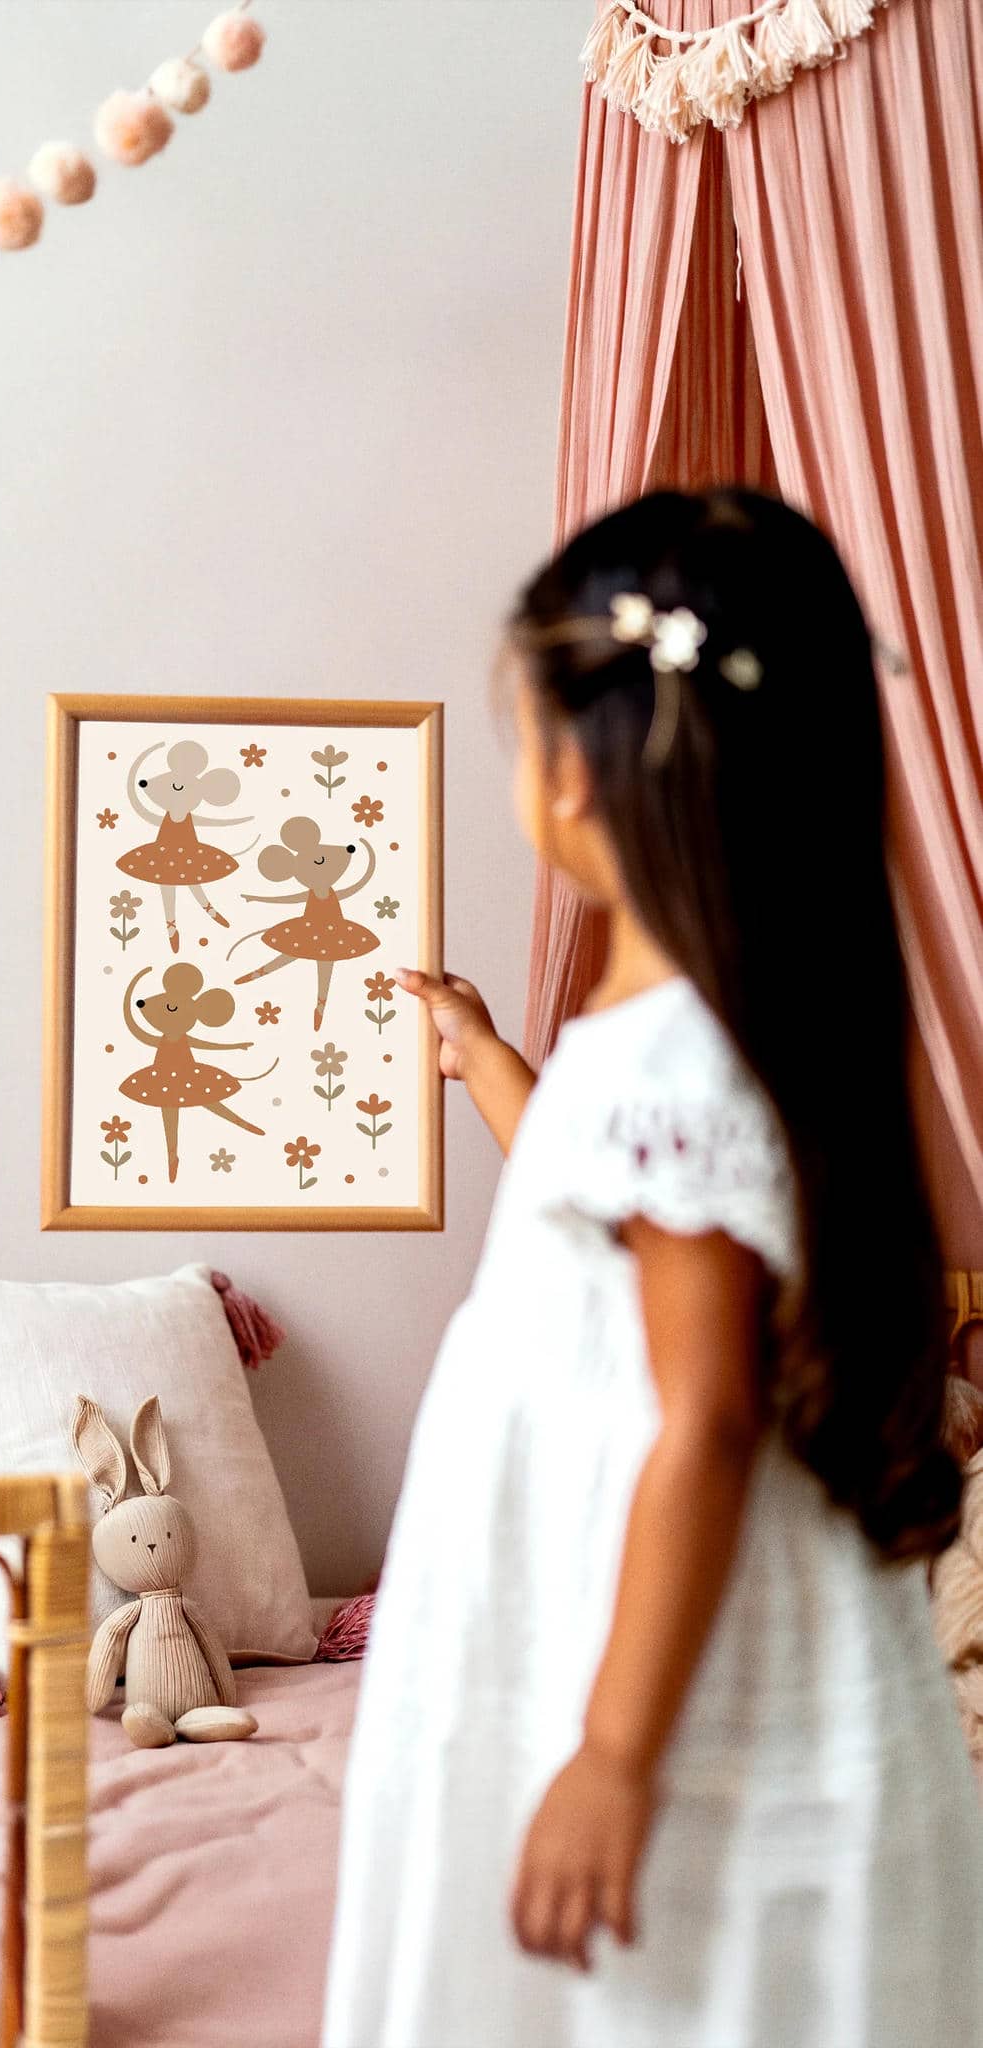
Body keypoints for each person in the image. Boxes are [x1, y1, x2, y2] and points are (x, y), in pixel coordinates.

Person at [322, 489, 983, 2047]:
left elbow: (704, 1418)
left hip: (656, 1633)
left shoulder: (676, 1058)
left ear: (580, 768)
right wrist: (484, 1054)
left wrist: (614, 1753)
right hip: (601, 1585)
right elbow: (612, 1197)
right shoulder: (688, 1041)